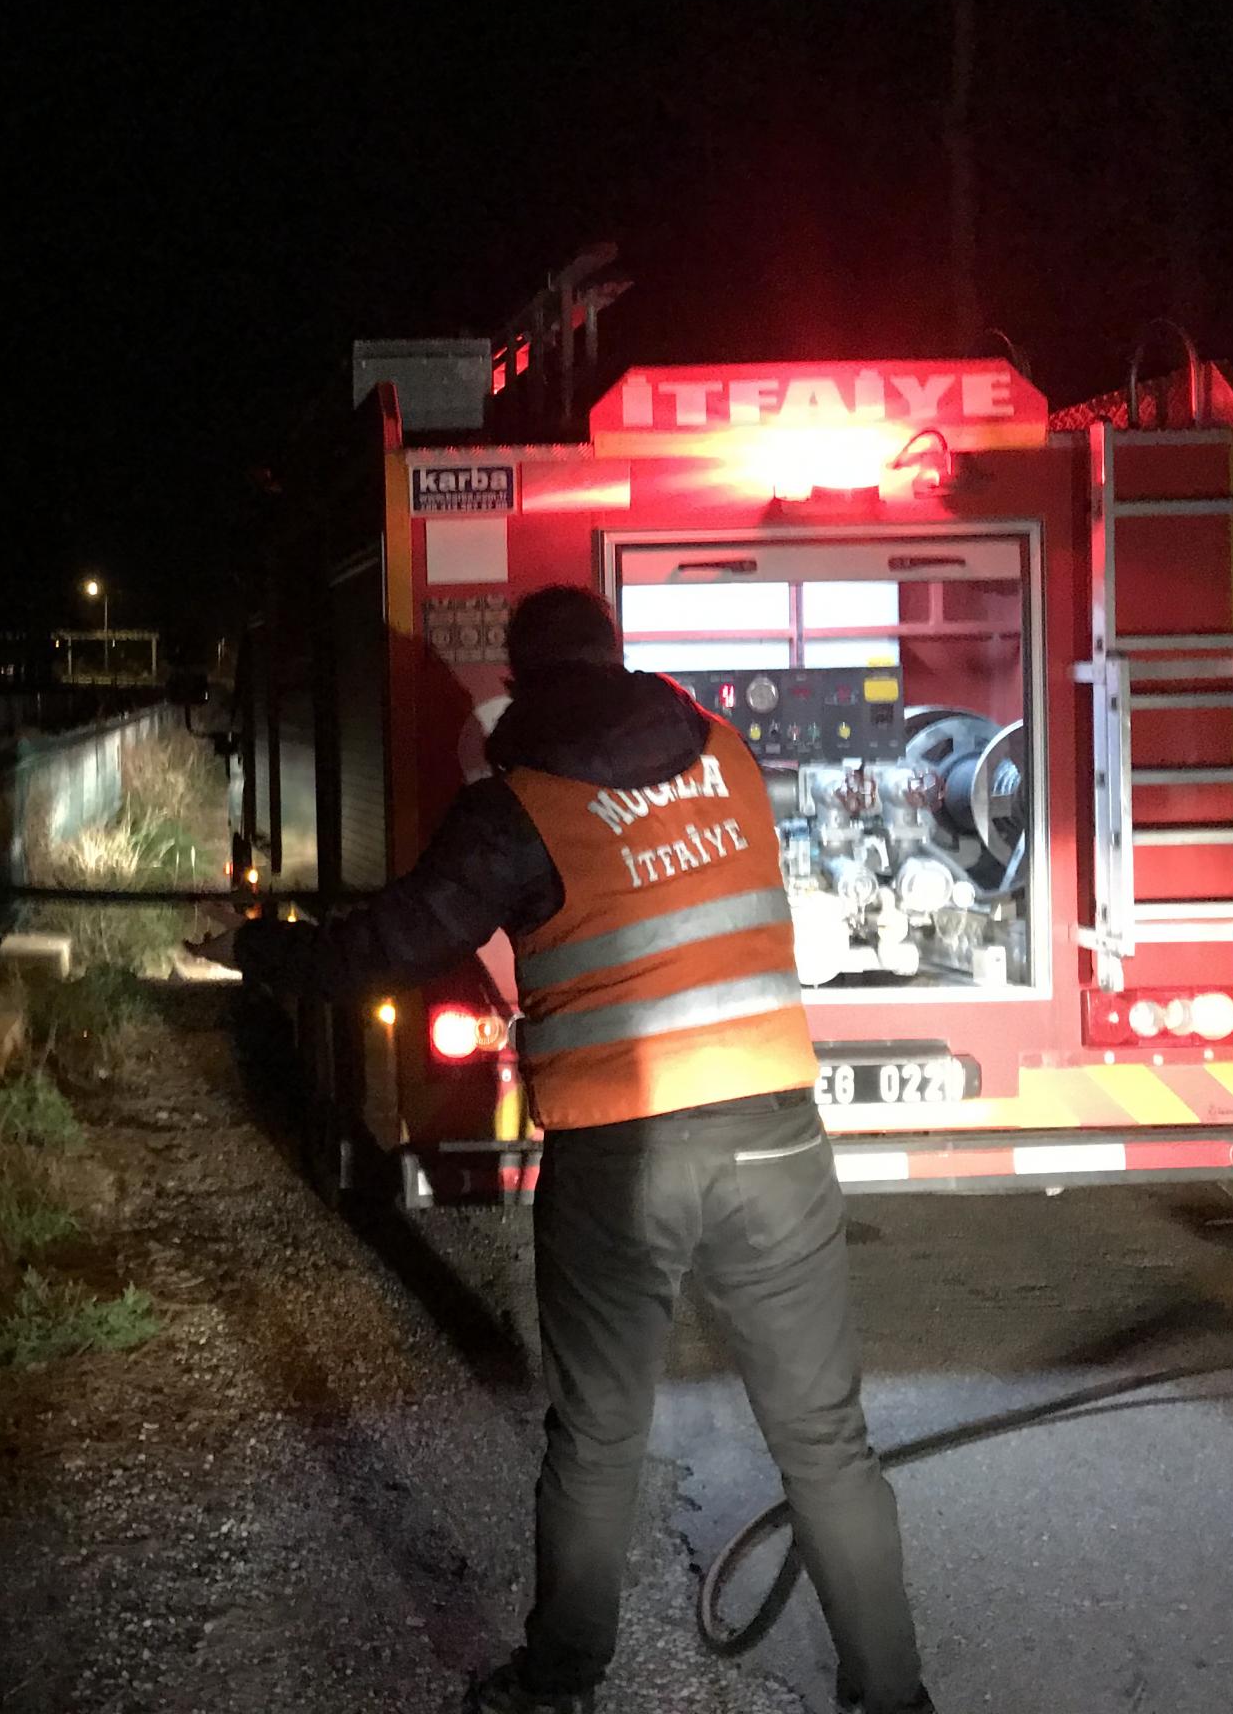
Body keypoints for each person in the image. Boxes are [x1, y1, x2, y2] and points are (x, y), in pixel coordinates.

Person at [207, 585, 932, 1714]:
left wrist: (256, 949)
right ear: (618, 660)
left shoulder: (514, 809)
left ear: (523, 683)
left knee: (598, 1438)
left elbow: (381, 948)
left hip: (622, 1160)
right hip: (776, 1141)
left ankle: (559, 1681)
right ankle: (893, 1698)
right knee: (826, 1440)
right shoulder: (726, 753)